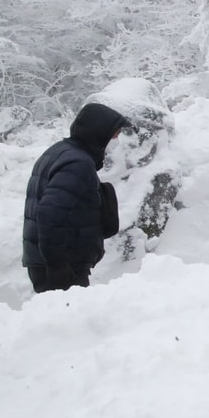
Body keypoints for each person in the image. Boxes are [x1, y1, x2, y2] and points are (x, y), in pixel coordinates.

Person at [22, 102, 131, 293]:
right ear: (99, 133)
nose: (116, 142)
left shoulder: (59, 152)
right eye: (115, 135)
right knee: (67, 313)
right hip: (61, 266)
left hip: (51, 263)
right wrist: (57, 266)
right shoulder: (78, 164)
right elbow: (50, 214)